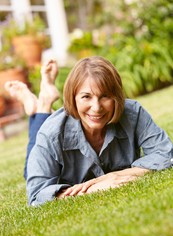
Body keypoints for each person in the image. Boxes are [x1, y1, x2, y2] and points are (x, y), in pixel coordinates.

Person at [5, 56, 173, 206]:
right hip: (48, 133)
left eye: (105, 96)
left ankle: (41, 102)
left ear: (117, 97)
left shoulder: (133, 113)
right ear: (73, 98)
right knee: (31, 169)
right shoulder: (51, 133)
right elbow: (36, 196)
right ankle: (42, 104)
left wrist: (114, 176)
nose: (97, 108)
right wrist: (95, 188)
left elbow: (166, 155)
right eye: (86, 97)